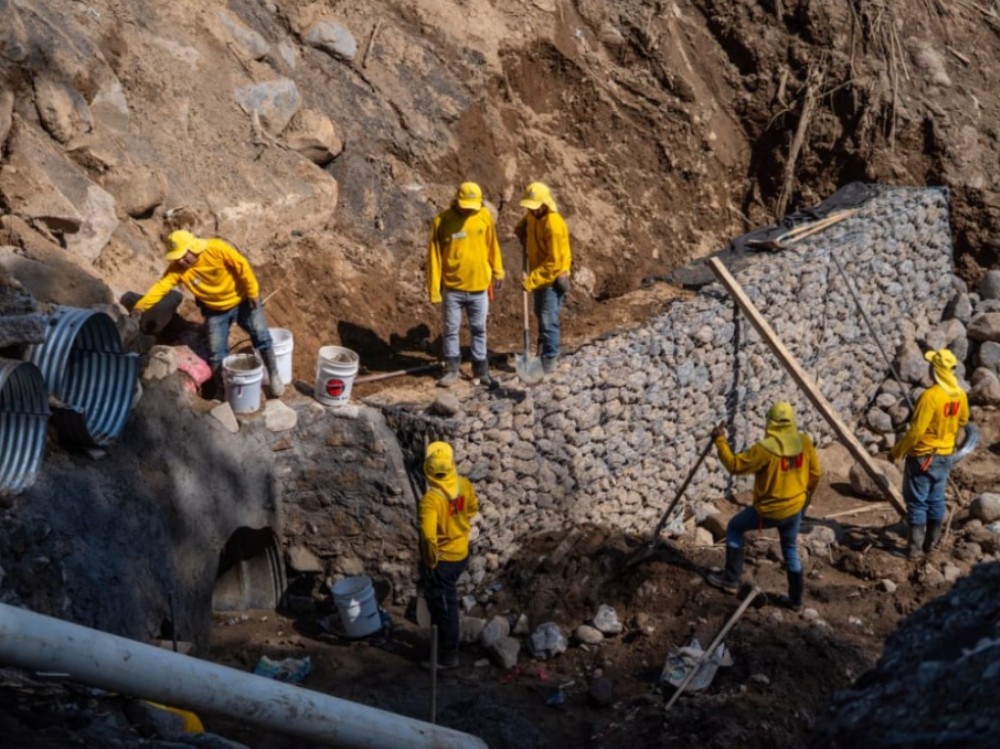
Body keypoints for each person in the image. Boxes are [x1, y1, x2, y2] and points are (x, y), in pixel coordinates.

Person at [130, 230, 284, 398]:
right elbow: (161, 287)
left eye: (183, 256)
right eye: (176, 258)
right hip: (215, 311)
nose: (180, 261)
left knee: (261, 337)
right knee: (217, 354)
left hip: (243, 301)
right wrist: (140, 307)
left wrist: (253, 292)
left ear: (192, 248)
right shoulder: (178, 269)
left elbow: (242, 266)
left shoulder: (216, 249)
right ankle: (222, 390)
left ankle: (274, 375)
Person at [706, 402, 821, 611]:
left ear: (771, 422)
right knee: (790, 549)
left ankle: (730, 580)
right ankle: (796, 601)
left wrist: (720, 441)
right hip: (795, 507)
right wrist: (806, 496)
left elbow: (735, 465)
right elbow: (816, 474)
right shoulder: (804, 442)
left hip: (769, 510)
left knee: (734, 527)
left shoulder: (765, 449)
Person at [890, 348, 970, 558]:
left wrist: (897, 451)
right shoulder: (959, 394)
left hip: (924, 456)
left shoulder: (931, 396)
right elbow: (962, 420)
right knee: (936, 499)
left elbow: (916, 431)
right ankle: (931, 544)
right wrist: (946, 428)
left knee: (917, 502)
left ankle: (914, 550)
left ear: (935, 369)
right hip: (946, 455)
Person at [426, 182, 504, 387]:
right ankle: (451, 369)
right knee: (451, 330)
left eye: (473, 205)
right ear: (457, 201)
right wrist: (434, 290)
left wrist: (498, 270)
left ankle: (481, 370)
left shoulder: (484, 216)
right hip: (453, 289)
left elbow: (492, 245)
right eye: (466, 205)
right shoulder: (442, 221)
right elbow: (434, 258)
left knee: (479, 329)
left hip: (479, 287)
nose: (470, 209)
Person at [418, 441, 480, 670]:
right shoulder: (464, 485)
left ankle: (448, 655)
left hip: (443, 560)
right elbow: (473, 507)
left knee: (445, 607)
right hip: (461, 551)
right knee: (444, 603)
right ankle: (440, 646)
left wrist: (430, 560)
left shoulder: (432, 500)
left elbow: (427, 535)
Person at [515, 182, 572, 375]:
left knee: (548, 318)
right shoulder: (533, 216)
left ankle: (550, 357)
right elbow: (526, 223)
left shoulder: (553, 225)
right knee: (539, 313)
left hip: (552, 278)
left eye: (534, 206)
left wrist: (531, 281)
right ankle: (542, 348)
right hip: (539, 274)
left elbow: (554, 263)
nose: (531, 210)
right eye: (529, 207)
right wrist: (520, 228)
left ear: (544, 203)